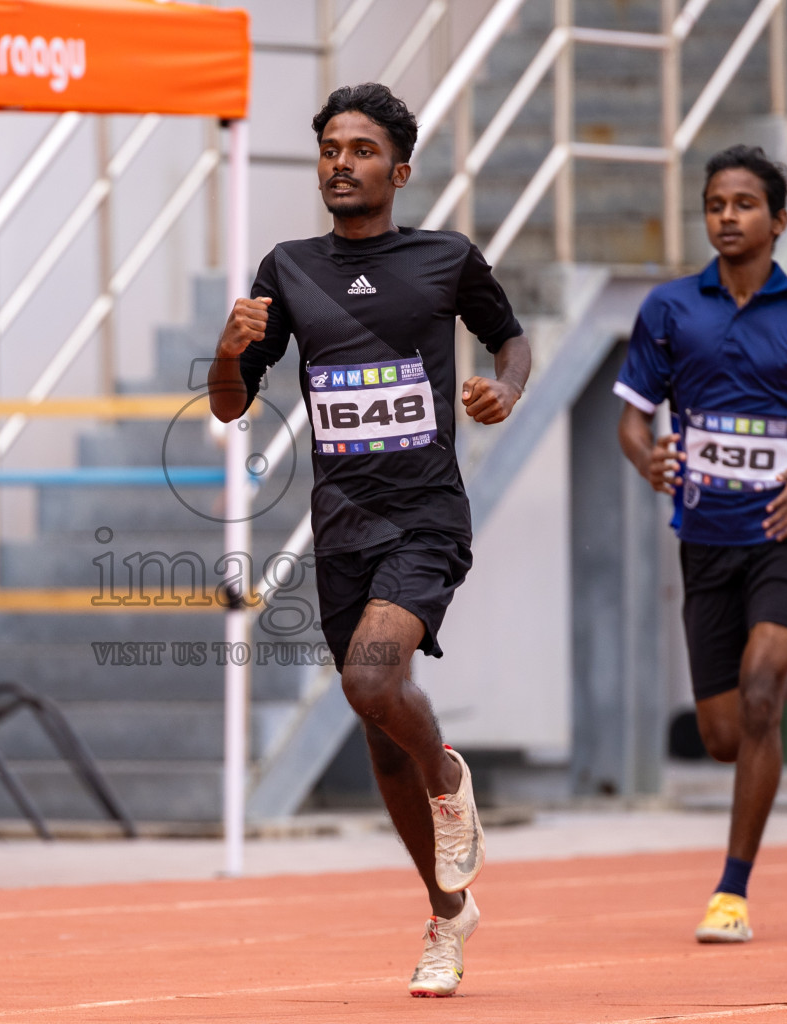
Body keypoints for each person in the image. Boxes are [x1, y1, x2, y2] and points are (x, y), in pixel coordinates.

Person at [208, 82, 531, 998]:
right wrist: (230, 349)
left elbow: (511, 341)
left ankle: (450, 779)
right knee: (381, 735)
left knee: (370, 678)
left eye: (358, 149)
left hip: (426, 514)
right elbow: (232, 406)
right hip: (342, 529)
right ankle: (447, 916)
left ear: (400, 166)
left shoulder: (445, 259)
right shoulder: (289, 268)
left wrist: (503, 391)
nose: (340, 163)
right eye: (328, 150)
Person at [615, 145, 787, 944]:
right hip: (706, 537)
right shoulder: (668, 309)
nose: (727, 217)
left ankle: (732, 891)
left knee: (761, 697)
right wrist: (647, 456)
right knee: (726, 737)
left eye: (744, 204)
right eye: (716, 205)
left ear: (778, 220)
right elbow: (630, 419)